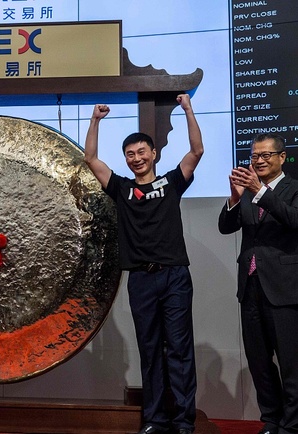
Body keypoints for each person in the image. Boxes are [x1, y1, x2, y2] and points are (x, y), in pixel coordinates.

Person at [83, 94, 203, 434]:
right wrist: (95, 120)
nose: (136, 158)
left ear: (153, 154)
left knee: (179, 350)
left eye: (141, 152)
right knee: (150, 350)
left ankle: (183, 421)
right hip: (141, 280)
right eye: (130, 154)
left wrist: (188, 110)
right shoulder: (121, 189)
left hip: (175, 277)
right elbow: (90, 158)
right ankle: (154, 419)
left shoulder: (170, 183)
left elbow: (196, 152)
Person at [218, 133, 298, 434]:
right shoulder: (248, 193)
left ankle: (292, 425)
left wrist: (261, 193)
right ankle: (271, 419)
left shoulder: (293, 189)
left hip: (284, 289)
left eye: (266, 155)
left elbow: (293, 219)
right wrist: (236, 197)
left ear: (282, 157)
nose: (259, 160)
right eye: (254, 156)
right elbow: (226, 227)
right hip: (250, 287)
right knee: (259, 361)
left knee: (291, 362)